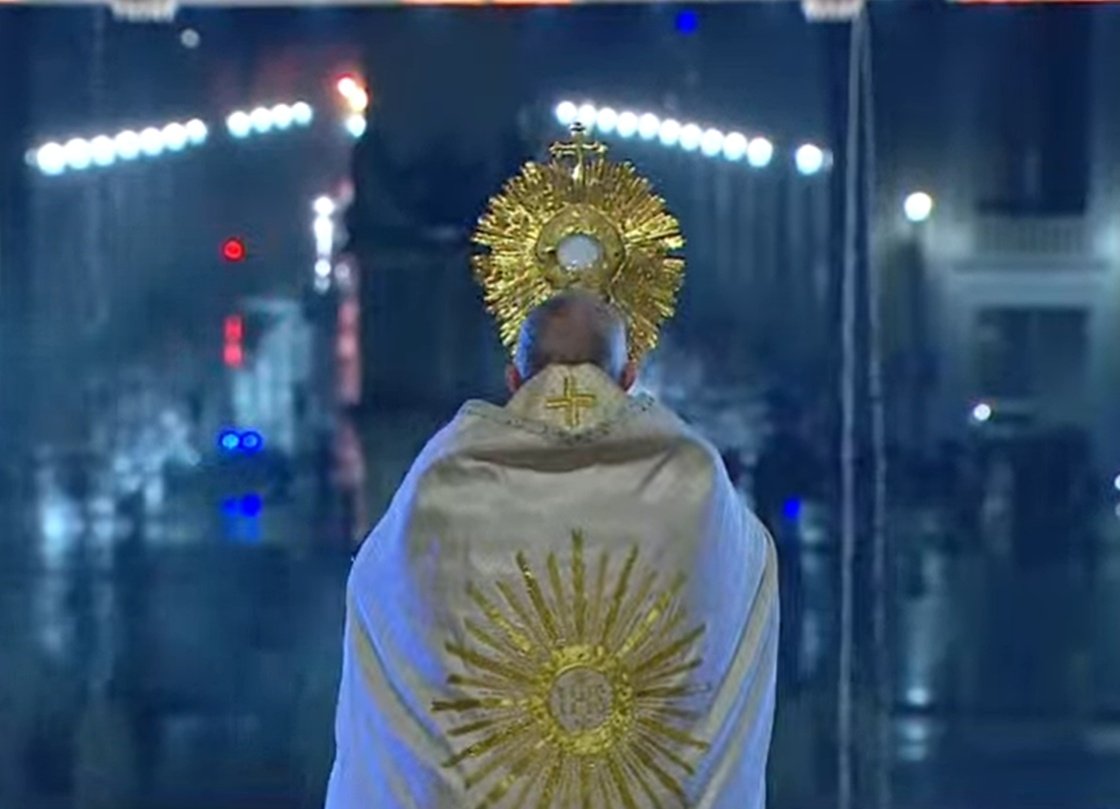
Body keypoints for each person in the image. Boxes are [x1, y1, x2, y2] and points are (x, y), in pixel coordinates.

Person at [325, 127, 778, 809]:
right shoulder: (693, 481)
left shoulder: (446, 482)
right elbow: (738, 612)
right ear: (629, 375)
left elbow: (386, 626)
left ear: (514, 376)